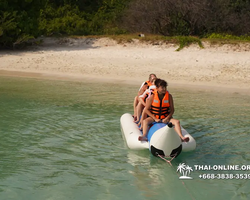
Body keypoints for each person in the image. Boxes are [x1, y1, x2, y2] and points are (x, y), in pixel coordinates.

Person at [138, 78, 189, 143]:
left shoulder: (169, 96)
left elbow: (172, 110)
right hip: (154, 117)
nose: (164, 89)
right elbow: (146, 109)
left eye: (165, 87)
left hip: (165, 117)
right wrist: (155, 118)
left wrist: (167, 118)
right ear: (157, 88)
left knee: (177, 122)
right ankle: (144, 136)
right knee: (145, 121)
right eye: (162, 87)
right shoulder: (152, 96)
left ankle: (181, 137)